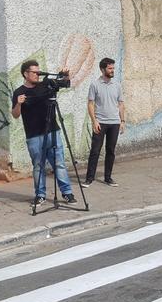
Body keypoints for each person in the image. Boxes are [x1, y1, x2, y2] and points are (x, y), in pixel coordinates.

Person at [12, 60, 77, 206]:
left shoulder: (46, 84)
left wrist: (66, 75)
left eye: (38, 71)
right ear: (25, 74)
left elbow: (66, 83)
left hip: (52, 132)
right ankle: (40, 195)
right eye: (34, 72)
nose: (37, 74)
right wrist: (18, 103)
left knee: (59, 163)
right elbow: (15, 114)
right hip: (34, 136)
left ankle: (67, 193)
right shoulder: (19, 92)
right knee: (38, 166)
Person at [84, 57, 125, 187]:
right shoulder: (95, 85)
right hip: (100, 122)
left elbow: (121, 103)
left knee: (111, 151)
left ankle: (108, 178)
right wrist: (94, 121)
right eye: (110, 68)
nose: (112, 70)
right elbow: (90, 104)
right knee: (95, 151)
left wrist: (122, 120)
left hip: (114, 123)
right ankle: (89, 178)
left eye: (113, 68)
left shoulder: (117, 85)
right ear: (102, 69)